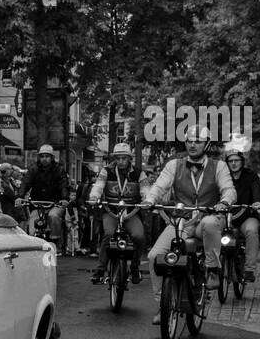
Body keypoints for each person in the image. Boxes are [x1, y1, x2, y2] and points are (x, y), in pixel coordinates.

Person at [140, 125, 237, 324]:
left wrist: (224, 202)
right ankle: (162, 305)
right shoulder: (174, 164)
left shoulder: (219, 166)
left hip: (207, 217)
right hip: (182, 220)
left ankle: (211, 271)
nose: (192, 144)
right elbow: (160, 185)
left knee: (211, 224)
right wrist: (150, 200)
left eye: (198, 141)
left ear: (206, 144)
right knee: (153, 256)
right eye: (190, 141)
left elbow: (229, 189)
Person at [88, 142, 147, 284]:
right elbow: (99, 186)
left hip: (131, 212)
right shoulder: (106, 171)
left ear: (129, 159)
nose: (120, 161)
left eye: (124, 158)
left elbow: (146, 189)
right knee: (108, 234)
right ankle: (100, 269)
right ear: (114, 158)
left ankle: (134, 267)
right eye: (118, 158)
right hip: (111, 211)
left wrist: (147, 199)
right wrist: (94, 196)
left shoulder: (139, 173)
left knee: (139, 236)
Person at [221, 143, 260, 282]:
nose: (233, 163)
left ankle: (249, 269)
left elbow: (256, 189)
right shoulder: (223, 176)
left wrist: (257, 202)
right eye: (230, 161)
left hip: (247, 215)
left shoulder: (250, 176)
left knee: (252, 230)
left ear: (242, 162)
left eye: (236, 160)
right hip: (226, 215)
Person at [20, 144, 69, 242]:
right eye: (42, 156)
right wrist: (19, 196)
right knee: (32, 226)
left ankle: (54, 241)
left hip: (55, 203)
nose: (44, 159)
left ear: (52, 157)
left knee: (53, 216)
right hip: (37, 204)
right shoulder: (33, 169)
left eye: (47, 156)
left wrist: (64, 198)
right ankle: (34, 244)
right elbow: (26, 183)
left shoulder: (59, 170)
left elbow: (63, 185)